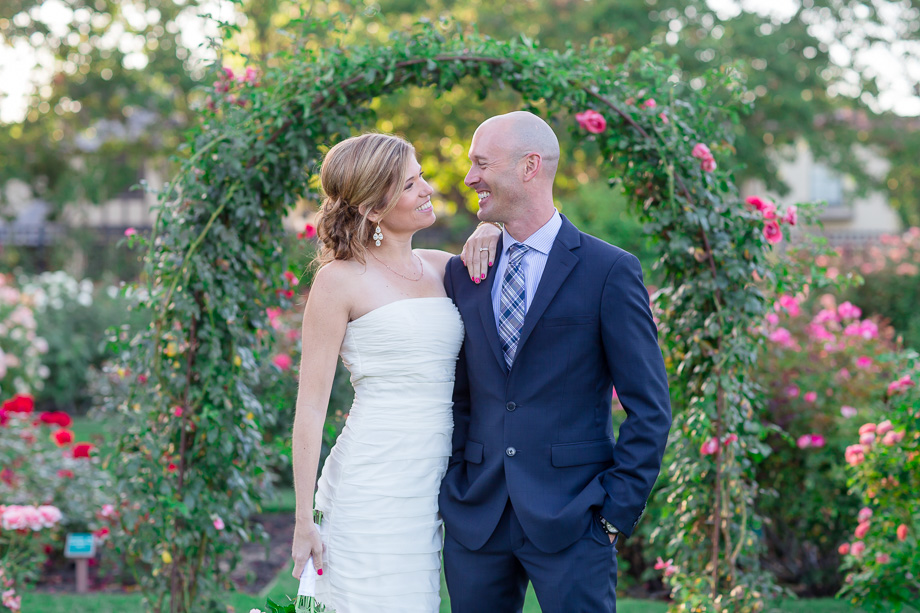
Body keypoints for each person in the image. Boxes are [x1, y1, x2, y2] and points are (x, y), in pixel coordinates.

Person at [439, 111, 672, 612]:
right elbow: (458, 395)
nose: (469, 178)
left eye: (482, 163)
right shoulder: (466, 272)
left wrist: (614, 514)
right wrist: (457, 481)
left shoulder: (609, 271)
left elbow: (649, 407)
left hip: (575, 519)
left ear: (529, 166)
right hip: (477, 518)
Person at [289, 132, 499, 612]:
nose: (427, 188)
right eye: (410, 184)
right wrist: (304, 518)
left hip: (430, 483)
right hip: (370, 480)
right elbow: (311, 408)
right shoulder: (338, 280)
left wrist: (492, 232)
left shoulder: (444, 267)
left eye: (421, 176)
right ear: (372, 209)